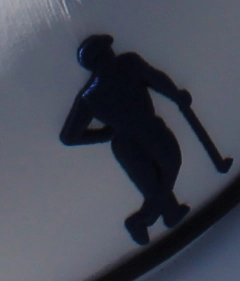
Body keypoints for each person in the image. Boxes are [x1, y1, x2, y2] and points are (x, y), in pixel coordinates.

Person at [60, 35, 193, 245]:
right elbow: (155, 78)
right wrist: (175, 95)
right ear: (104, 54)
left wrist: (106, 133)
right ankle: (141, 220)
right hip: (149, 130)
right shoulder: (128, 63)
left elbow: (69, 137)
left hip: (124, 144)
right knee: (170, 164)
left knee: (152, 184)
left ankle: (171, 212)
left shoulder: (89, 96)